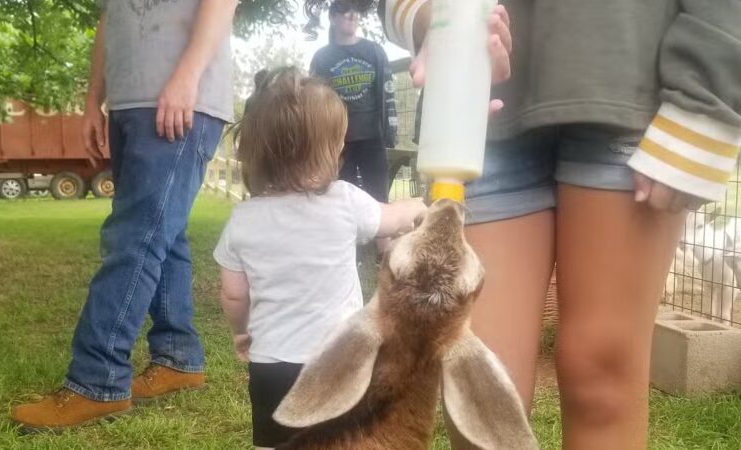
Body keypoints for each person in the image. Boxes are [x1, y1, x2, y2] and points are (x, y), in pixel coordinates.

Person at [366, 0, 740, 449]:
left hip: (630, 79)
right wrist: (429, 16)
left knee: (602, 375)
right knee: (480, 399)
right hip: (473, 100)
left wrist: (708, 97)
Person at [10, 0, 237, 432]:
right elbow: (108, 16)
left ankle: (96, 381)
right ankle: (179, 358)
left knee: (135, 238)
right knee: (164, 237)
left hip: (181, 98)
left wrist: (187, 76)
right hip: (129, 103)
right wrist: (94, 99)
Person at [213, 67, 426, 450]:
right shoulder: (345, 201)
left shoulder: (242, 221)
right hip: (341, 362)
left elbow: (233, 294)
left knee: (274, 443)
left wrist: (240, 331)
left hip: (271, 366)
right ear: (329, 150)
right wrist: (421, 204)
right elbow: (395, 217)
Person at [309, 0, 398, 208]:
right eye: (344, 10)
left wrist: (390, 132)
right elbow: (312, 103)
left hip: (373, 139)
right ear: (332, 18)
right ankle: (347, 240)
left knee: (379, 199)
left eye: (355, 11)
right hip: (337, 142)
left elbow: (388, 94)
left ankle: (382, 241)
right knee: (339, 201)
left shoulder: (375, 51)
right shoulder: (321, 58)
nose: (351, 15)